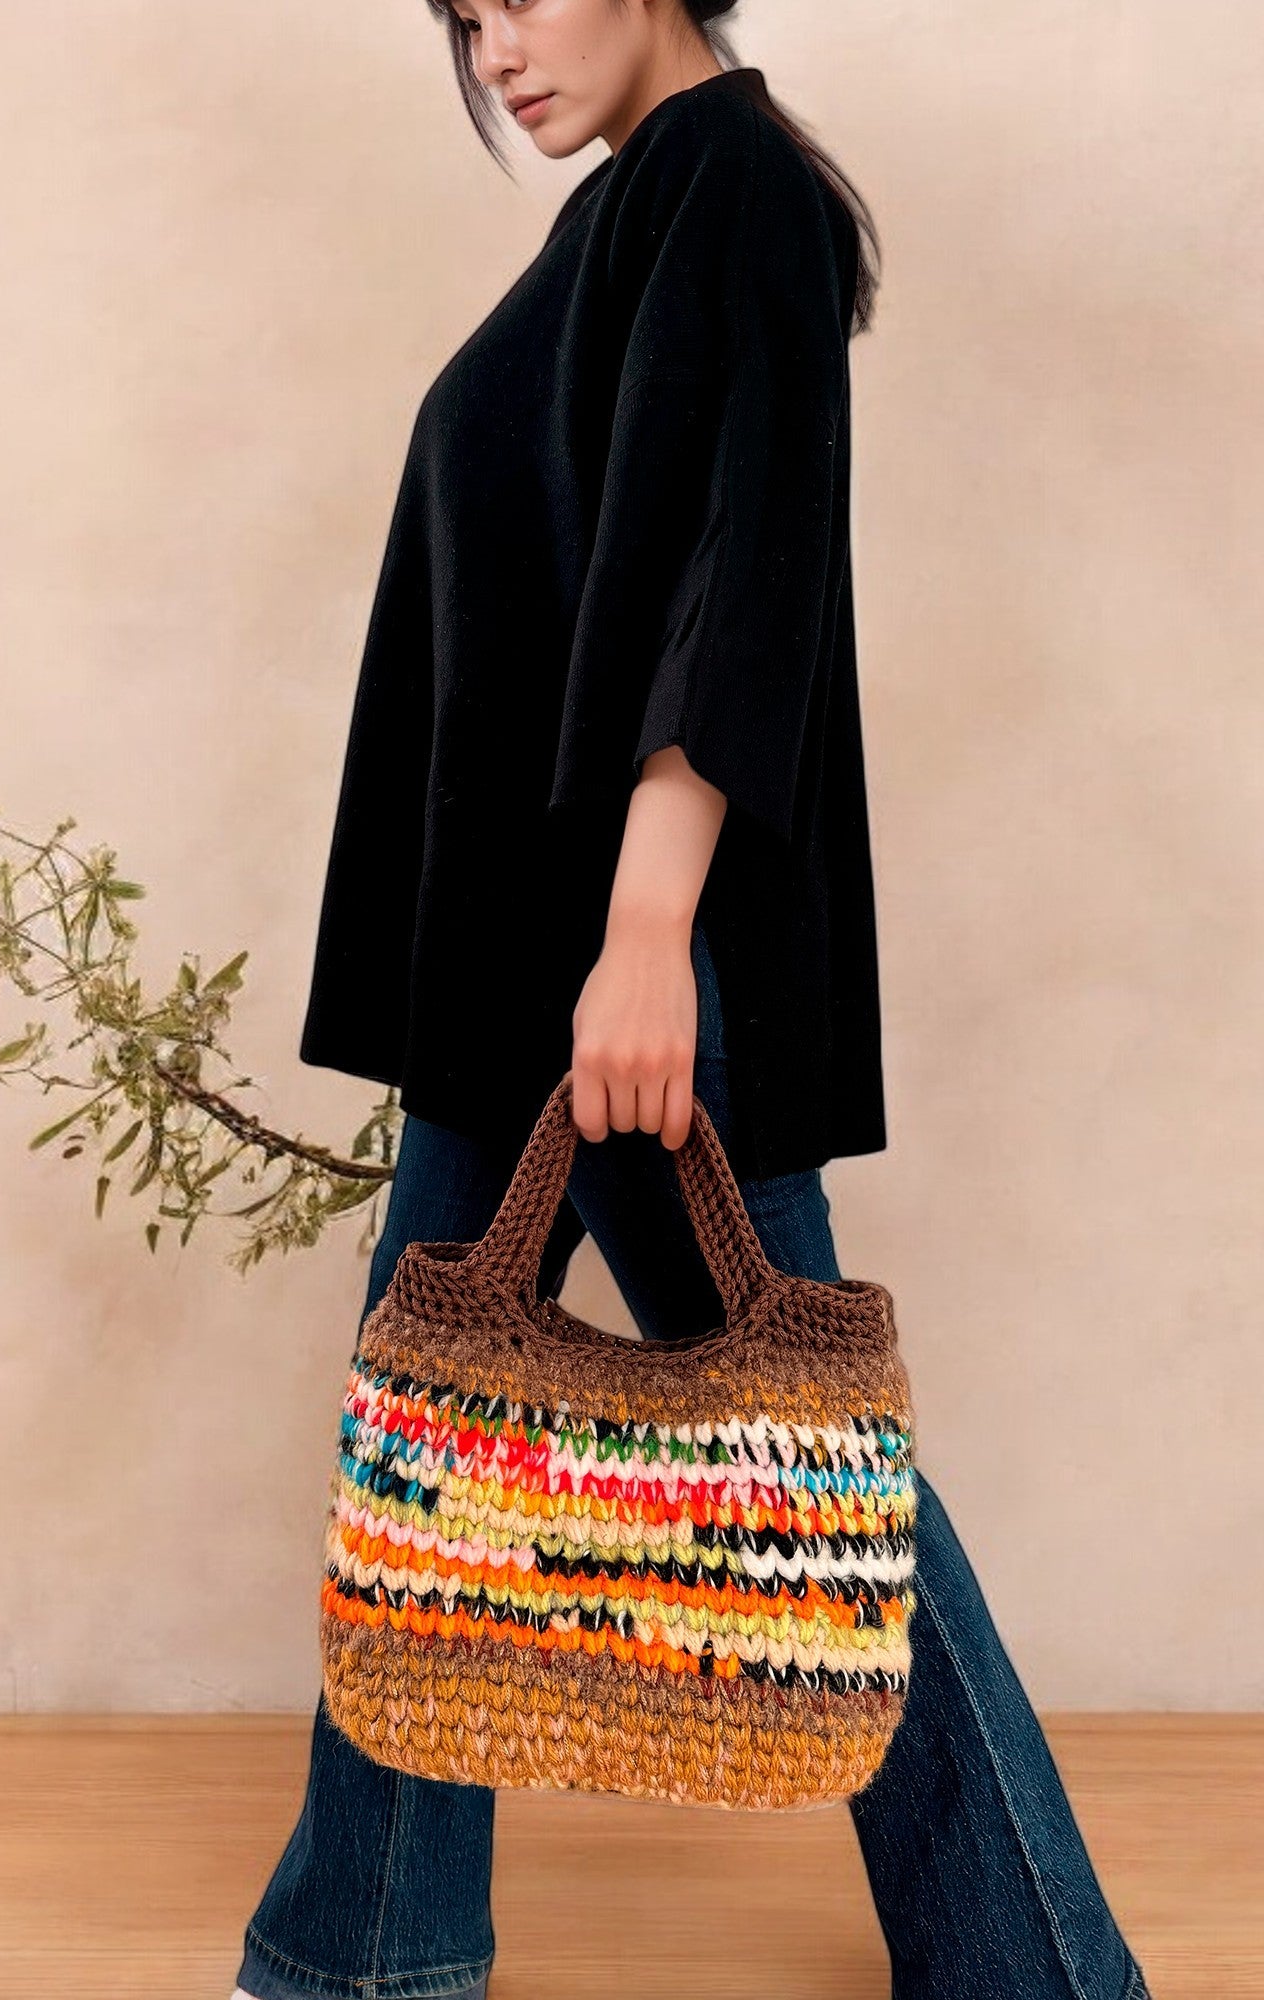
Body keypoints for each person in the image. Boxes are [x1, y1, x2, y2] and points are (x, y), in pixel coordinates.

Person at [233, 4, 1155, 1997]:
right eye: (462, 20)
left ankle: (1031, 1964)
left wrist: (648, 932)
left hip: (617, 957)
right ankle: (366, 1949)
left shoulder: (732, 184)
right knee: (426, 1446)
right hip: (516, 963)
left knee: (798, 1473)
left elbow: (734, 578)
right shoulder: (628, 207)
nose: (494, 51)